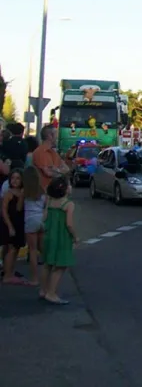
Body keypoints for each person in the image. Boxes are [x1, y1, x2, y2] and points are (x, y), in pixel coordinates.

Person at [41, 175, 78, 304]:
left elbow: (44, 217)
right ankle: (51, 293)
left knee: (47, 264)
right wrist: (75, 237)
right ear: (66, 189)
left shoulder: (49, 201)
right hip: (61, 237)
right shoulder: (68, 204)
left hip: (49, 235)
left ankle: (43, 290)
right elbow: (69, 224)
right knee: (60, 266)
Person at [1, 169, 30, 285]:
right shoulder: (9, 193)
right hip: (10, 223)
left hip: (19, 223)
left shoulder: (21, 192)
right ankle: (7, 275)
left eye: (18, 178)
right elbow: (3, 211)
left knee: (16, 248)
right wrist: (10, 226)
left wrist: (22, 195)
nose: (15, 181)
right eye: (13, 178)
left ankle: (11, 272)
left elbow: (19, 208)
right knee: (12, 248)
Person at [23, 166, 46, 286]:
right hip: (41, 220)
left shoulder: (25, 192)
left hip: (30, 221)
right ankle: (48, 274)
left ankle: (34, 279)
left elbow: (18, 207)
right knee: (43, 250)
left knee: (32, 251)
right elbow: (46, 206)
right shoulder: (42, 190)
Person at [33, 124, 69, 192]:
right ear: (50, 136)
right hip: (42, 194)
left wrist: (56, 170)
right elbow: (48, 173)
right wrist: (60, 170)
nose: (57, 138)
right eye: (56, 135)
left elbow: (67, 169)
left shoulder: (53, 152)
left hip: (52, 193)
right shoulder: (40, 152)